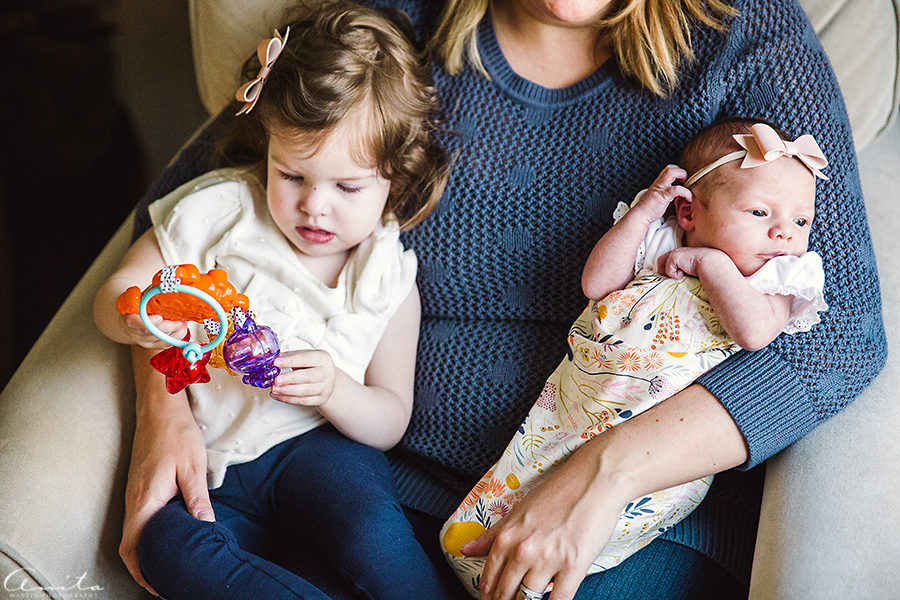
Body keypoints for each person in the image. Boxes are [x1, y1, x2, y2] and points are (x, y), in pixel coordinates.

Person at [123, 1, 886, 599]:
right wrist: (164, 410)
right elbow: (187, 215)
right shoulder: (388, 26)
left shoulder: (745, 36)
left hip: (623, 524)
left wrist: (605, 474)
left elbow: (841, 331)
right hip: (380, 493)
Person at [93, 3, 454, 599]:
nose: (315, 206)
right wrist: (137, 316)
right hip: (214, 461)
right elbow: (116, 292)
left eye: (348, 187)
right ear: (266, 146)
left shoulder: (387, 273)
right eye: (292, 175)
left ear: (395, 175)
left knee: (371, 532)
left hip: (319, 452)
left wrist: (335, 390)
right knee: (166, 546)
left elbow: (391, 418)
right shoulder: (221, 211)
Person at [441, 118, 829, 597]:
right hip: (580, 395)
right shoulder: (661, 240)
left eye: (801, 221)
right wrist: (644, 213)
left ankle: (539, 582)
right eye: (759, 212)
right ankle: (476, 545)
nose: (784, 233)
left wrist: (711, 265)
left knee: (606, 523)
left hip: (656, 433)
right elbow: (596, 285)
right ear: (688, 212)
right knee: (529, 473)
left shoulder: (776, 277)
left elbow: (754, 333)